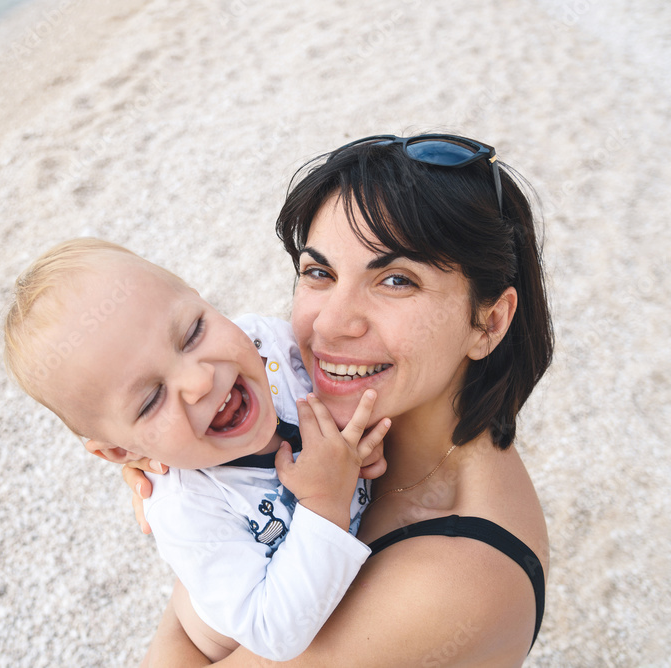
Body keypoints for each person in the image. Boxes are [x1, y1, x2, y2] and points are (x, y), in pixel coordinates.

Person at [123, 134, 554, 666]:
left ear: (488, 322)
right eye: (319, 273)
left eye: (396, 280)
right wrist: (170, 457)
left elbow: (196, 638)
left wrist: (189, 508)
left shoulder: (450, 579)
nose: (330, 324)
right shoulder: (351, 420)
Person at [3, 238, 390, 661]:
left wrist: (357, 446)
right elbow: (274, 632)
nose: (199, 381)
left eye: (192, 333)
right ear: (120, 452)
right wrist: (326, 502)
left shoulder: (274, 348)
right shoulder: (186, 509)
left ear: (201, 298)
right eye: (151, 401)